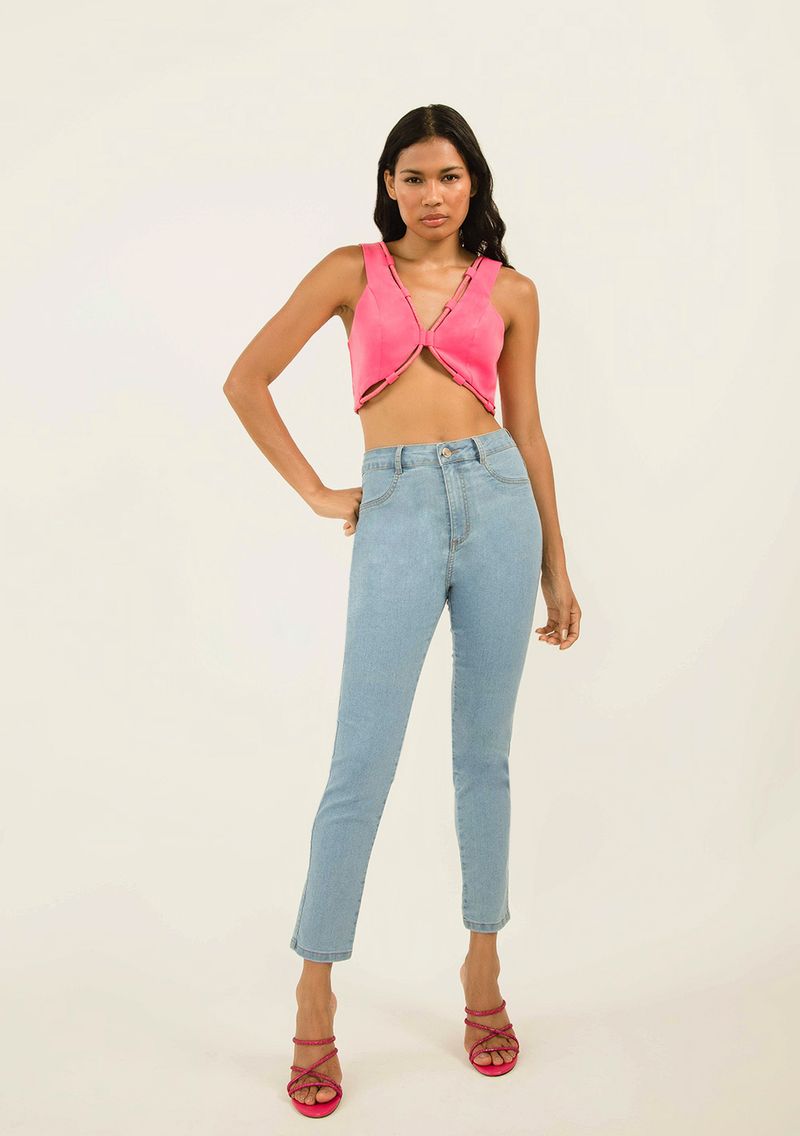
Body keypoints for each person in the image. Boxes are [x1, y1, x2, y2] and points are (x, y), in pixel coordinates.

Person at [223, 103, 581, 1118]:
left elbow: (528, 429)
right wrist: (315, 490)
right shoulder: (351, 271)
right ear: (389, 183)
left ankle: (482, 966)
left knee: (483, 757)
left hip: (500, 504)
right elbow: (246, 380)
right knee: (361, 761)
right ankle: (315, 988)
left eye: (449, 176)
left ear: (474, 184)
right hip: (396, 509)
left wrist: (556, 566)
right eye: (414, 176)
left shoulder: (511, 290)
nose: (433, 194)